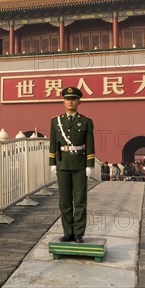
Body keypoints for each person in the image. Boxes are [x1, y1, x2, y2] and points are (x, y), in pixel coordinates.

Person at [49, 86, 95, 244]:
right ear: (63, 101)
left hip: (79, 165)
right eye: (68, 99)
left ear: (79, 102)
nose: (70, 102)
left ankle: (78, 233)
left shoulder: (86, 121)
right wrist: (52, 162)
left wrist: (90, 164)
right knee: (64, 201)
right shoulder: (56, 121)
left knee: (80, 200)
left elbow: (90, 143)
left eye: (74, 99)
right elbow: (53, 144)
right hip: (62, 164)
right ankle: (68, 232)